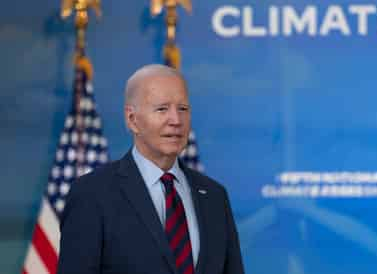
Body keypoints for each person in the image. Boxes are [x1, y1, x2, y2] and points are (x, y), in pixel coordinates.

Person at [57, 64, 245, 274]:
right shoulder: (92, 194)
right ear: (132, 119)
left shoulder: (214, 196)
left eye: (183, 109)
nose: (176, 120)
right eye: (162, 109)